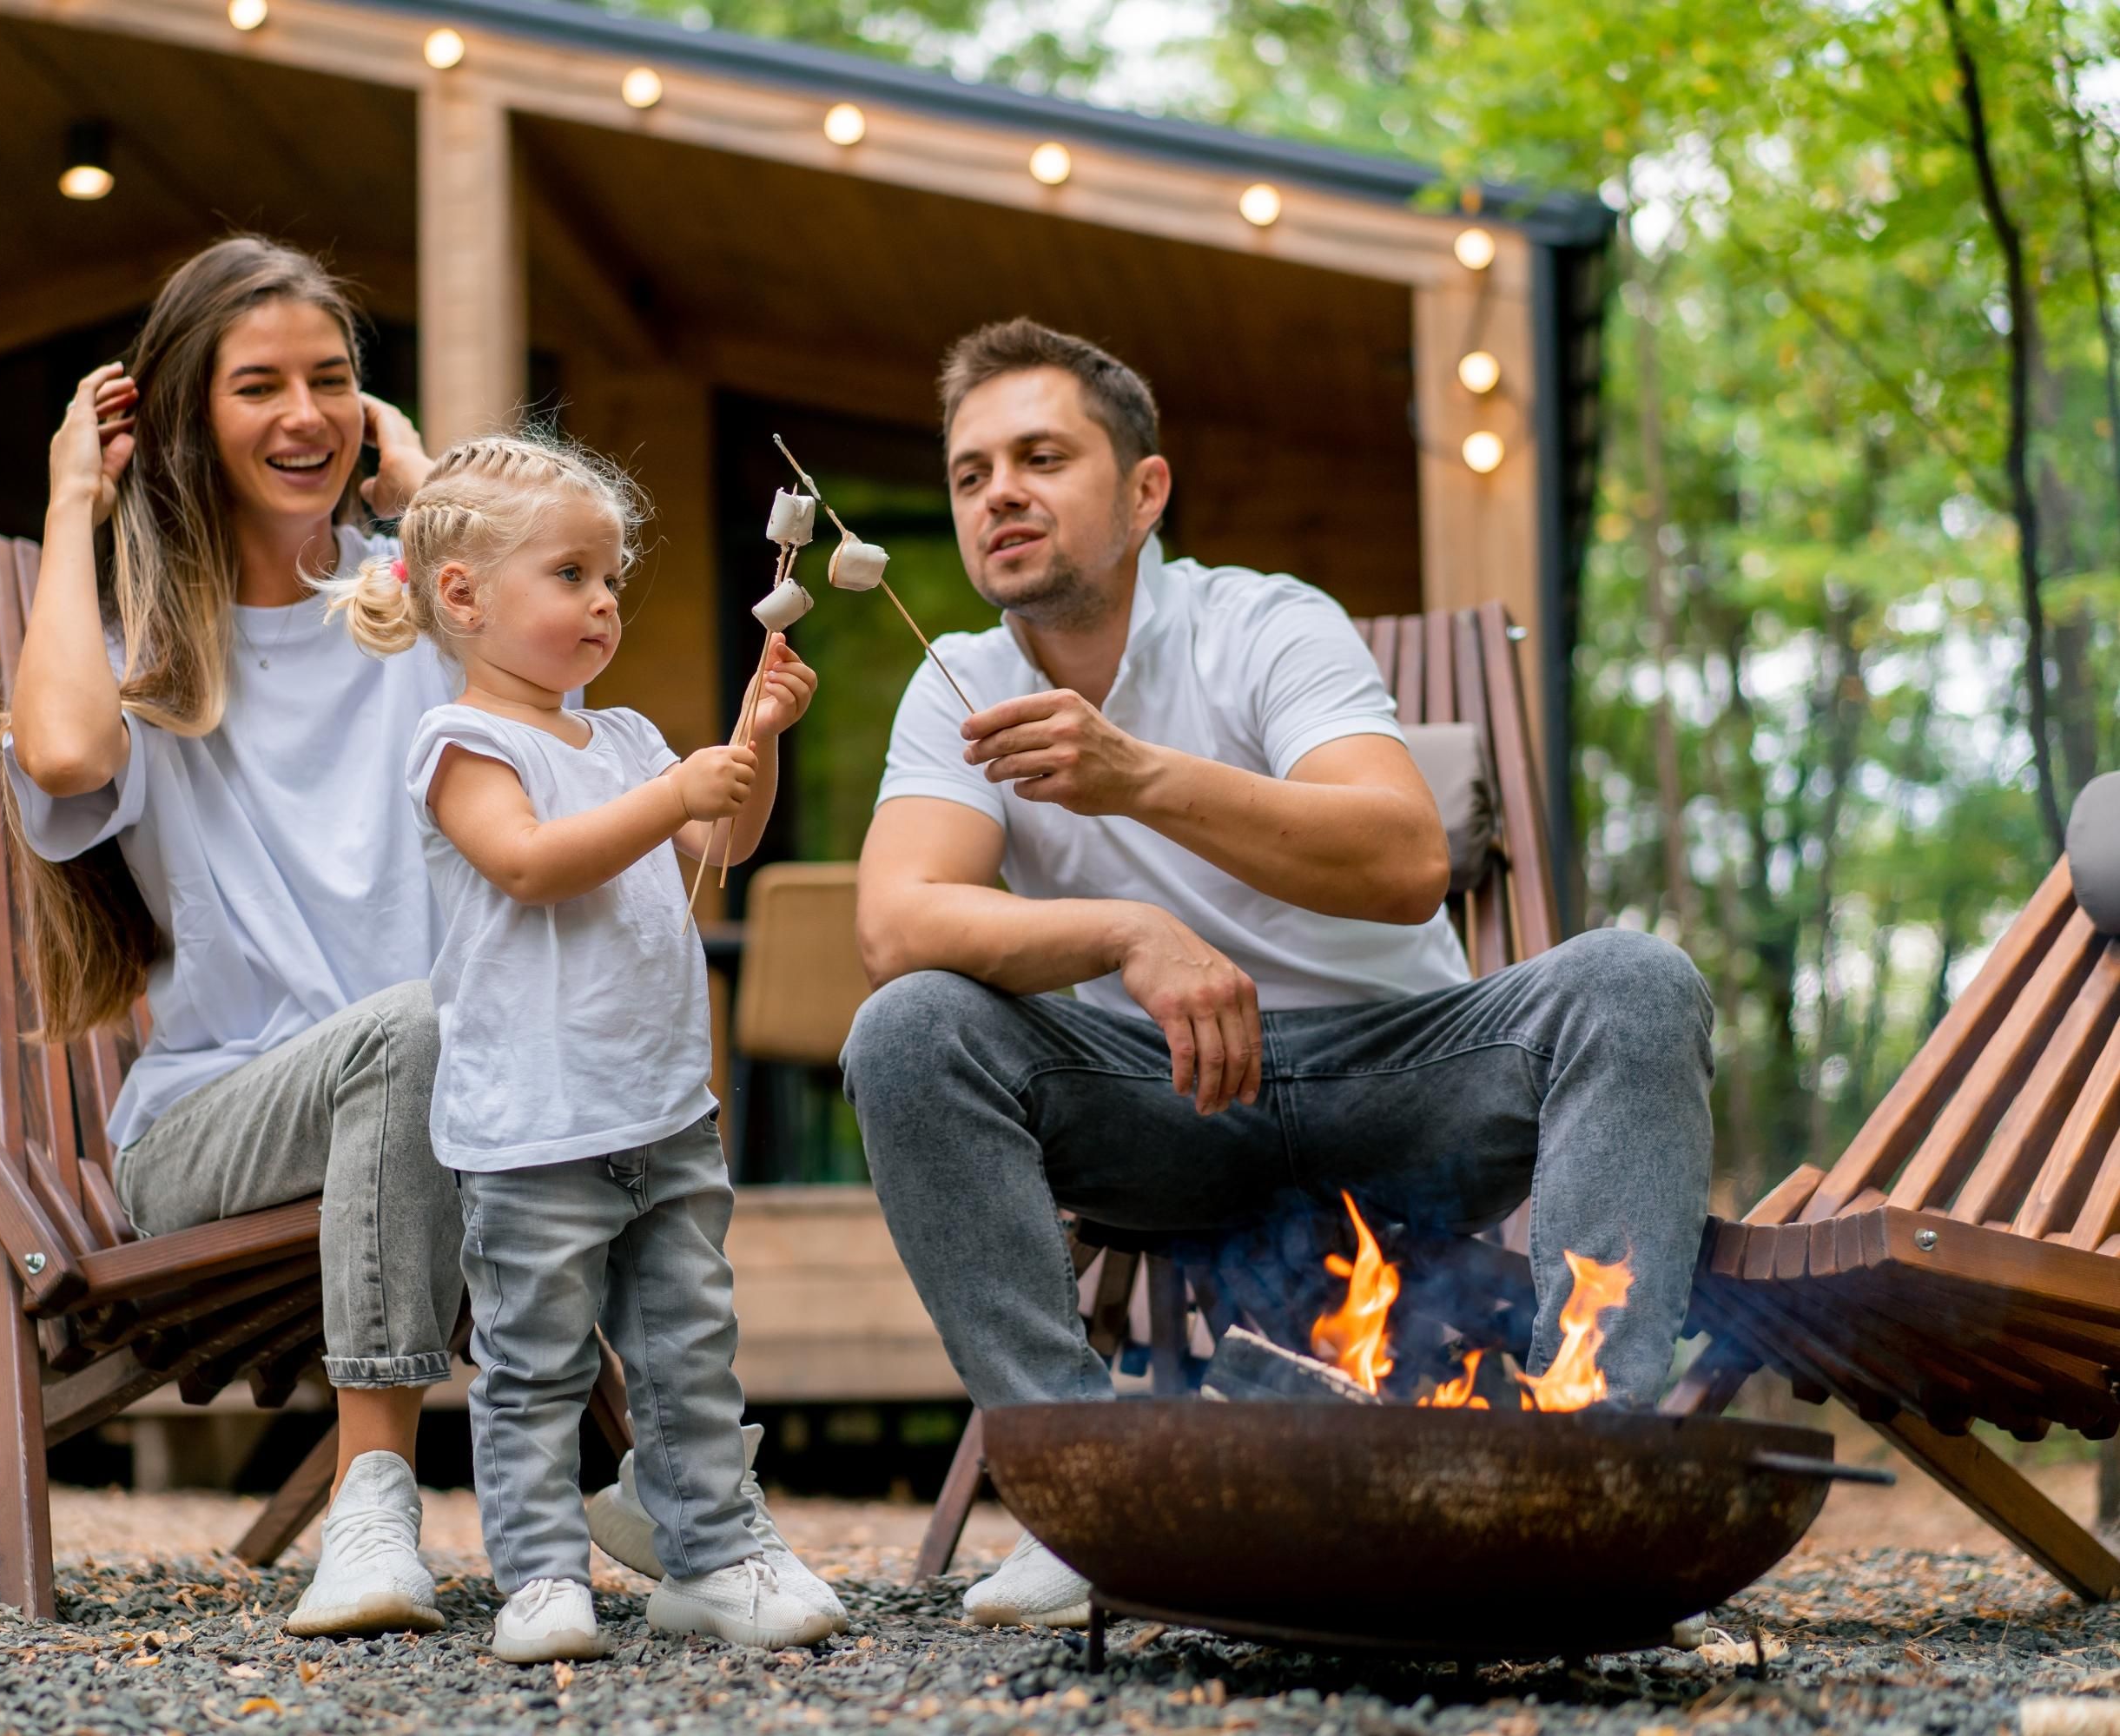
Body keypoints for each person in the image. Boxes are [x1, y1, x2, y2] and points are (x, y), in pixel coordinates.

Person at [842, 320, 1715, 1628]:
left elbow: (1405, 856)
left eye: (1040, 457)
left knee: (1636, 980)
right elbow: (899, 922)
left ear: (1145, 492)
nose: (998, 493)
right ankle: (1092, 1500)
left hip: (1405, 1079)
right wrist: (1123, 934)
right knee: (909, 1028)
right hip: (1162, 1108)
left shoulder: (1260, 621)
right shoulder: (956, 683)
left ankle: (1581, 1484)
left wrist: (1136, 776)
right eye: (970, 474)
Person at [321, 431, 842, 1663]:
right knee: (534, 1362)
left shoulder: (624, 743)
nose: (604, 602)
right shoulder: (464, 746)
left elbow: (725, 847)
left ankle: (711, 1556)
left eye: (610, 579)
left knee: (690, 1352)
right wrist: (677, 793)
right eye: (570, 576)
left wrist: (753, 742)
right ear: (463, 595)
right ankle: (541, 1577)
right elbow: (529, 863)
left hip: (662, 1114)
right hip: (531, 1127)